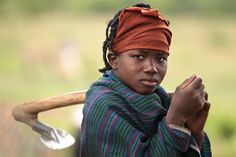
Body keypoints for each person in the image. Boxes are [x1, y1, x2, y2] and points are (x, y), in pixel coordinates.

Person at [80, 3, 211, 157]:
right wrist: (176, 117)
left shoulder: (161, 100)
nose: (152, 68)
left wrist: (194, 132)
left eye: (161, 58)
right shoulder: (103, 104)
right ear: (113, 60)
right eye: (139, 56)